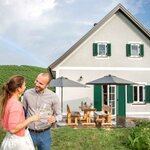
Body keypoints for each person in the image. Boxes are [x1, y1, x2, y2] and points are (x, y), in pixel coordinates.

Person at [23, 72, 62, 150]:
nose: (37, 84)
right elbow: (23, 111)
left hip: (45, 134)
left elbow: (59, 115)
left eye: (40, 83)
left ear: (47, 85)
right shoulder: (27, 93)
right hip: (29, 133)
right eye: (36, 81)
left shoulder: (53, 96)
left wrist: (54, 119)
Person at [0, 75, 40, 150]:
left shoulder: (8, 101)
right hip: (17, 143)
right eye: (24, 85)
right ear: (18, 89)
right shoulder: (15, 104)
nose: (25, 87)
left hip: (11, 139)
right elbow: (13, 129)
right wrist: (31, 119)